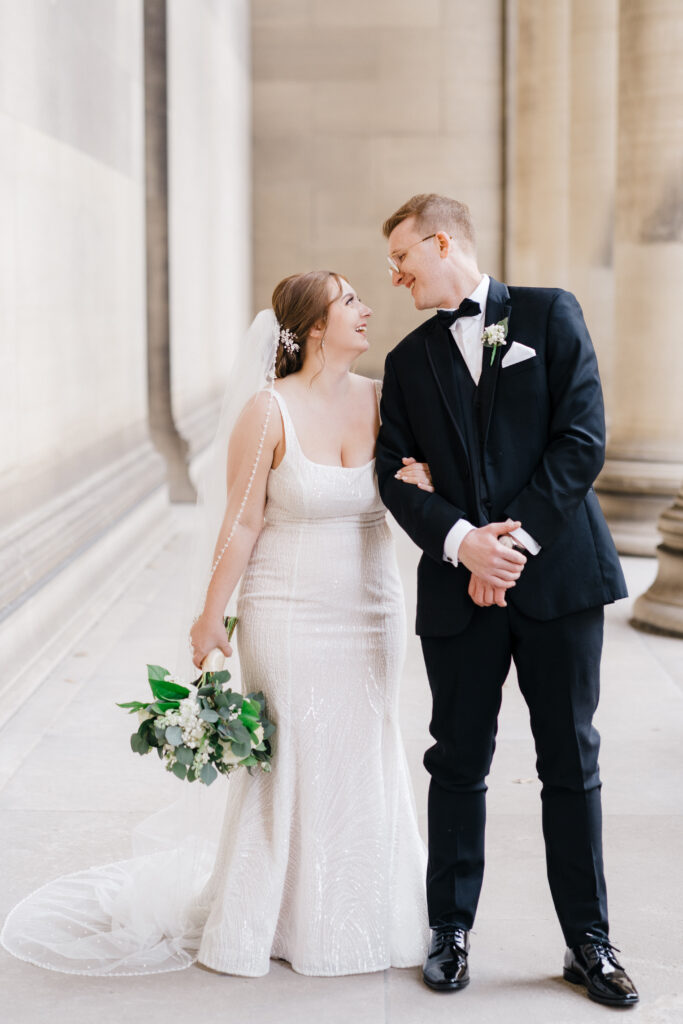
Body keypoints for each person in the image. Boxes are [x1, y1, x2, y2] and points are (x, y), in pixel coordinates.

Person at [1, 271, 431, 979]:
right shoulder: (267, 411)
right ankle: (270, 919)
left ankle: (367, 915)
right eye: (349, 300)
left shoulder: (383, 399)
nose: (366, 309)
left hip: (373, 607)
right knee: (291, 757)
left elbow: (416, 484)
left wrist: (424, 483)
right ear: (314, 326)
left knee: (365, 750)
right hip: (287, 610)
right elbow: (242, 523)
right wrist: (210, 617)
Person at [374, 193, 639, 1008]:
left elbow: (581, 440)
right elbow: (393, 471)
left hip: (556, 582)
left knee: (570, 760)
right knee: (457, 762)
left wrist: (508, 548)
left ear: (442, 241)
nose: (393, 276)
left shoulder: (550, 315)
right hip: (460, 593)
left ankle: (587, 942)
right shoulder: (406, 361)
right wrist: (463, 544)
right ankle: (448, 931)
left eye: (402, 259)